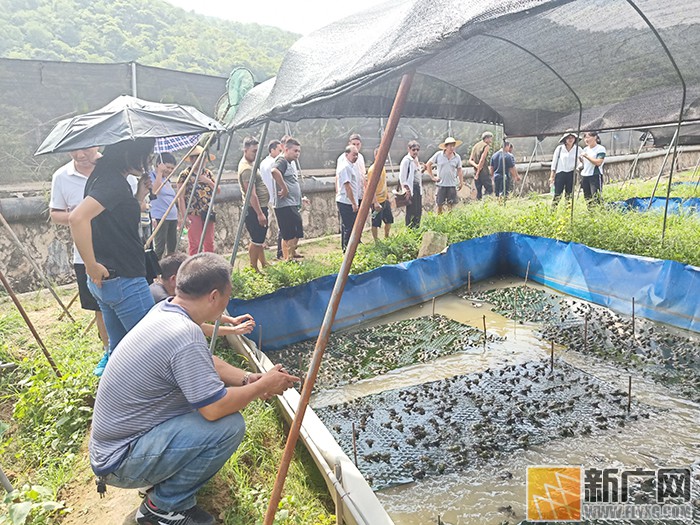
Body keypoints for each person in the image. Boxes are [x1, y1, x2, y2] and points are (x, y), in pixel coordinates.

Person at [89, 252, 299, 525]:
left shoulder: (166, 311)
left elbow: (205, 361)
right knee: (227, 427)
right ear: (214, 296)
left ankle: (159, 483)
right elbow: (214, 409)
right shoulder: (184, 334)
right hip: (120, 461)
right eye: (227, 296)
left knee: (207, 410)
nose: (226, 304)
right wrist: (263, 388)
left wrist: (248, 379)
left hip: (119, 444)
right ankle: (163, 508)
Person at [68, 138, 156, 376]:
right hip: (124, 279)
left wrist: (138, 196)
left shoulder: (104, 175)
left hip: (110, 281)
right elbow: (77, 218)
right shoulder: (113, 183)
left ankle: (115, 399)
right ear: (130, 153)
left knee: (118, 351)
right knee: (153, 347)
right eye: (146, 155)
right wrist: (91, 265)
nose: (148, 162)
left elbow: (114, 221)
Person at [49, 147, 109, 356]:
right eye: (73, 150)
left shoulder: (114, 169)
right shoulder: (62, 176)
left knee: (126, 301)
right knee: (99, 305)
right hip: (84, 253)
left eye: (85, 148)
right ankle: (108, 350)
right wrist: (81, 216)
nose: (80, 155)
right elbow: (56, 214)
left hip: (118, 248)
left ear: (97, 145)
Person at [150, 252, 256, 338]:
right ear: (174, 279)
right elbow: (200, 328)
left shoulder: (160, 291)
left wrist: (231, 320)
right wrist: (234, 330)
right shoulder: (163, 300)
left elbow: (202, 309)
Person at [177, 145, 219, 255]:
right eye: (197, 158)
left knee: (209, 242)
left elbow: (218, 190)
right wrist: (184, 215)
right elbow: (180, 197)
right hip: (193, 212)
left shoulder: (208, 174)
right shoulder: (185, 175)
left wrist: (207, 181)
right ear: (192, 159)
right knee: (195, 243)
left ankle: (209, 265)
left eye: (202, 158)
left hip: (208, 211)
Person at [238, 137, 270, 272]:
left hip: (259, 206)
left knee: (260, 239)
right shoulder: (246, 169)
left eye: (258, 151)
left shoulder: (251, 165)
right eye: (253, 151)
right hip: (254, 209)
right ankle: (253, 267)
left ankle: (263, 262)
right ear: (245, 150)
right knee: (256, 240)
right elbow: (251, 193)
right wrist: (260, 213)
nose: (256, 154)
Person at [271, 138, 304, 261]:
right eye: (295, 151)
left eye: (299, 151)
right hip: (284, 204)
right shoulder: (282, 160)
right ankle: (287, 258)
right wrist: (284, 188)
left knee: (297, 231)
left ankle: (291, 255)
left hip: (293, 203)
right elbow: (274, 171)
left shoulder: (290, 163)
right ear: (286, 149)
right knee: (288, 233)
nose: (297, 154)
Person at [149, 152, 180, 259]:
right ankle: (156, 272)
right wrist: (159, 173)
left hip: (172, 217)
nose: (170, 170)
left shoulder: (167, 180)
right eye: (167, 167)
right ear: (159, 164)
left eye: (172, 168)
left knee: (172, 249)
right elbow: (155, 191)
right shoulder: (151, 176)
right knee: (159, 248)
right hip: (160, 217)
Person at [426, 136, 464, 214]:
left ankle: (450, 221)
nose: (452, 148)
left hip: (452, 184)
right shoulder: (438, 155)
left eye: (453, 145)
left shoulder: (457, 157)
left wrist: (461, 182)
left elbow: (459, 170)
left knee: (451, 205)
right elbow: (428, 164)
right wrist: (432, 177)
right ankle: (439, 221)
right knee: (439, 204)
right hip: (441, 184)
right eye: (450, 146)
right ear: (446, 146)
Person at [335, 145, 360, 251]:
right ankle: (347, 249)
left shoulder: (352, 166)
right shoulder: (345, 167)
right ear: (346, 154)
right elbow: (347, 186)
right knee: (348, 226)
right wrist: (353, 203)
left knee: (351, 225)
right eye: (353, 154)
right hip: (346, 201)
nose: (356, 157)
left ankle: (350, 247)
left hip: (351, 200)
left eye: (357, 154)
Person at [366, 147, 393, 240]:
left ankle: (387, 237)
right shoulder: (372, 170)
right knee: (376, 222)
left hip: (384, 199)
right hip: (376, 200)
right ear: (375, 156)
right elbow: (370, 188)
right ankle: (376, 240)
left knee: (389, 220)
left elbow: (384, 183)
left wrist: (388, 197)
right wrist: (375, 202)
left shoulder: (383, 168)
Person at [549, 130, 579, 208]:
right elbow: (554, 162)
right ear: (565, 139)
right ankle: (553, 210)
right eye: (568, 138)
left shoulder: (578, 149)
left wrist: (578, 167)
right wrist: (552, 176)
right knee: (558, 194)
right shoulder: (559, 149)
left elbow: (581, 161)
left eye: (572, 137)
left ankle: (567, 211)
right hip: (560, 173)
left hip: (571, 173)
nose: (570, 139)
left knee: (569, 194)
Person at [399, 140, 423, 229]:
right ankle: (410, 230)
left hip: (417, 188)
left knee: (418, 211)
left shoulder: (415, 160)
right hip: (410, 189)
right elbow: (402, 178)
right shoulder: (406, 161)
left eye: (417, 150)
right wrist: (406, 190)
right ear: (409, 149)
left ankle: (417, 228)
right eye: (413, 150)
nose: (415, 152)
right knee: (411, 212)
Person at [580, 131, 606, 206]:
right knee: (587, 198)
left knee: (596, 197)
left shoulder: (600, 148)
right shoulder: (585, 149)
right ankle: (591, 214)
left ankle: (599, 213)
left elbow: (598, 162)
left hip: (595, 175)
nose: (586, 140)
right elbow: (584, 163)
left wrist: (587, 156)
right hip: (585, 175)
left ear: (595, 137)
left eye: (588, 137)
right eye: (585, 138)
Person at [469, 131, 494, 199]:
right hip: (483, 172)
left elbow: (470, 160)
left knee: (478, 192)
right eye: (490, 139)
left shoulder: (475, 146)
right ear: (487, 138)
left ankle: (479, 204)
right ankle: (485, 203)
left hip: (476, 172)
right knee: (489, 189)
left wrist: (476, 166)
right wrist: (478, 171)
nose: (491, 141)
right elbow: (482, 160)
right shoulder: (486, 146)